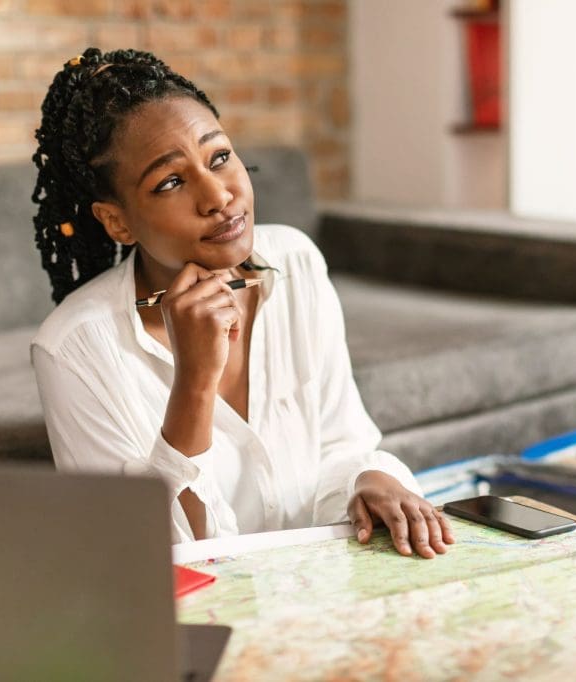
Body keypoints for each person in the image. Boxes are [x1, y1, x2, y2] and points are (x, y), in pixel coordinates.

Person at [29, 47, 453, 558]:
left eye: (220, 157)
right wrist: (194, 382)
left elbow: (343, 444)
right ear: (117, 221)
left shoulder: (295, 261)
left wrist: (370, 479)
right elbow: (136, 555)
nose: (218, 196)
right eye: (170, 182)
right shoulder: (74, 348)